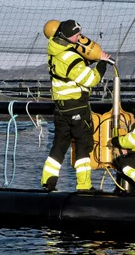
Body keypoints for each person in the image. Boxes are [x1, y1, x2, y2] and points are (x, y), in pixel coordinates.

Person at [40, 19, 111, 192]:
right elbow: (91, 79)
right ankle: (84, 186)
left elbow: (71, 69)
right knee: (83, 144)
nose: (80, 38)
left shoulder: (54, 50)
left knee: (60, 144)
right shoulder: (70, 57)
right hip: (76, 106)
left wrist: (87, 62)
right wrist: (102, 62)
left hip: (60, 107)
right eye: (77, 35)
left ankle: (47, 183)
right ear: (67, 36)